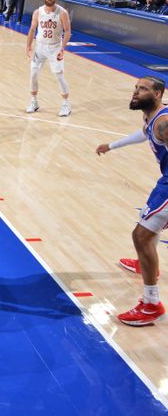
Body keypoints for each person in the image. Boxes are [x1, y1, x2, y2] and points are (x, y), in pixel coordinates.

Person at [96, 76, 168, 326]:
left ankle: (151, 304)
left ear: (158, 94)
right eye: (136, 88)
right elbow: (143, 133)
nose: (136, 92)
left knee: (141, 235)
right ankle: (146, 264)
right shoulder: (152, 117)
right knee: (148, 224)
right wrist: (112, 145)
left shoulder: (165, 123)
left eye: (143, 89)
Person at [25, 0, 72, 116]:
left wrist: (63, 48)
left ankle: (66, 104)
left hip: (55, 47)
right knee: (33, 74)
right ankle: (34, 102)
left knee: (59, 75)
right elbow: (32, 29)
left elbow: (68, 31)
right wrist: (28, 46)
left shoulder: (62, 12)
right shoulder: (38, 12)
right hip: (40, 47)